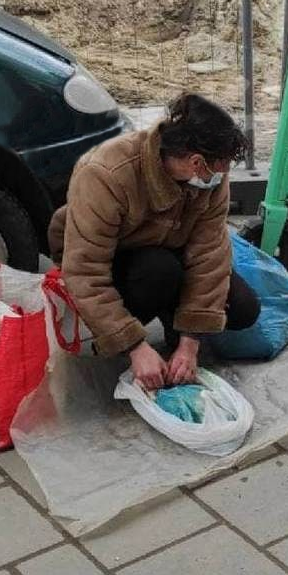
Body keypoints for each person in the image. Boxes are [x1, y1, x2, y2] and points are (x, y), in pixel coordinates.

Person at [48, 93, 260, 391]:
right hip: (116, 261)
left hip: (168, 249)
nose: (222, 177)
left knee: (242, 308)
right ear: (196, 162)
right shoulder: (105, 172)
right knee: (159, 272)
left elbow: (210, 254)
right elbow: (85, 271)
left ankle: (176, 324)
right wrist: (134, 345)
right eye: (219, 167)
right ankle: (136, 331)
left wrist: (190, 343)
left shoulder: (210, 178)